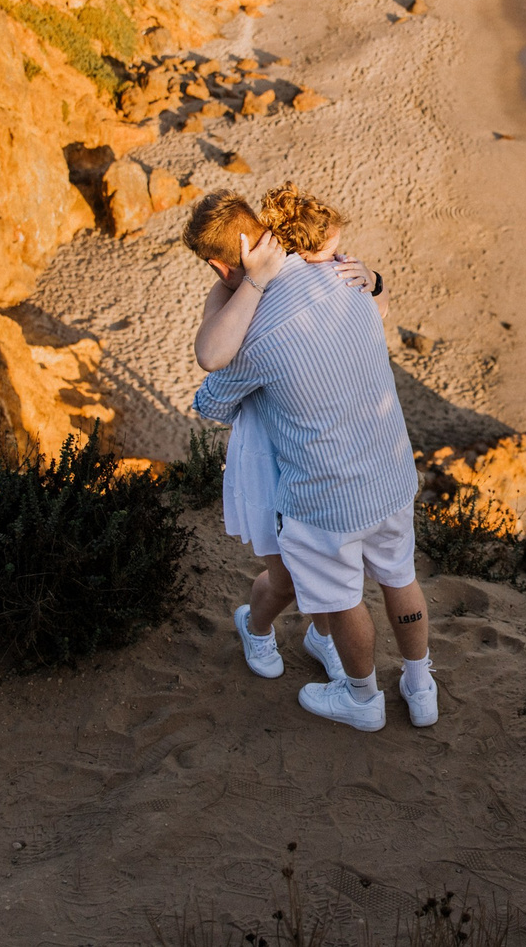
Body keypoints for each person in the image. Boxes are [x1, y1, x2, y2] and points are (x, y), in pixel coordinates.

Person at [185, 186, 434, 731]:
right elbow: (379, 308)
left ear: (217, 264)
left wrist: (227, 294)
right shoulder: (345, 276)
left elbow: (210, 397)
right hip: (391, 476)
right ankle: (421, 687)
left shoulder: (250, 335)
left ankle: (363, 699)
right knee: (399, 578)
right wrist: (375, 281)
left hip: (328, 498)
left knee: (345, 601)